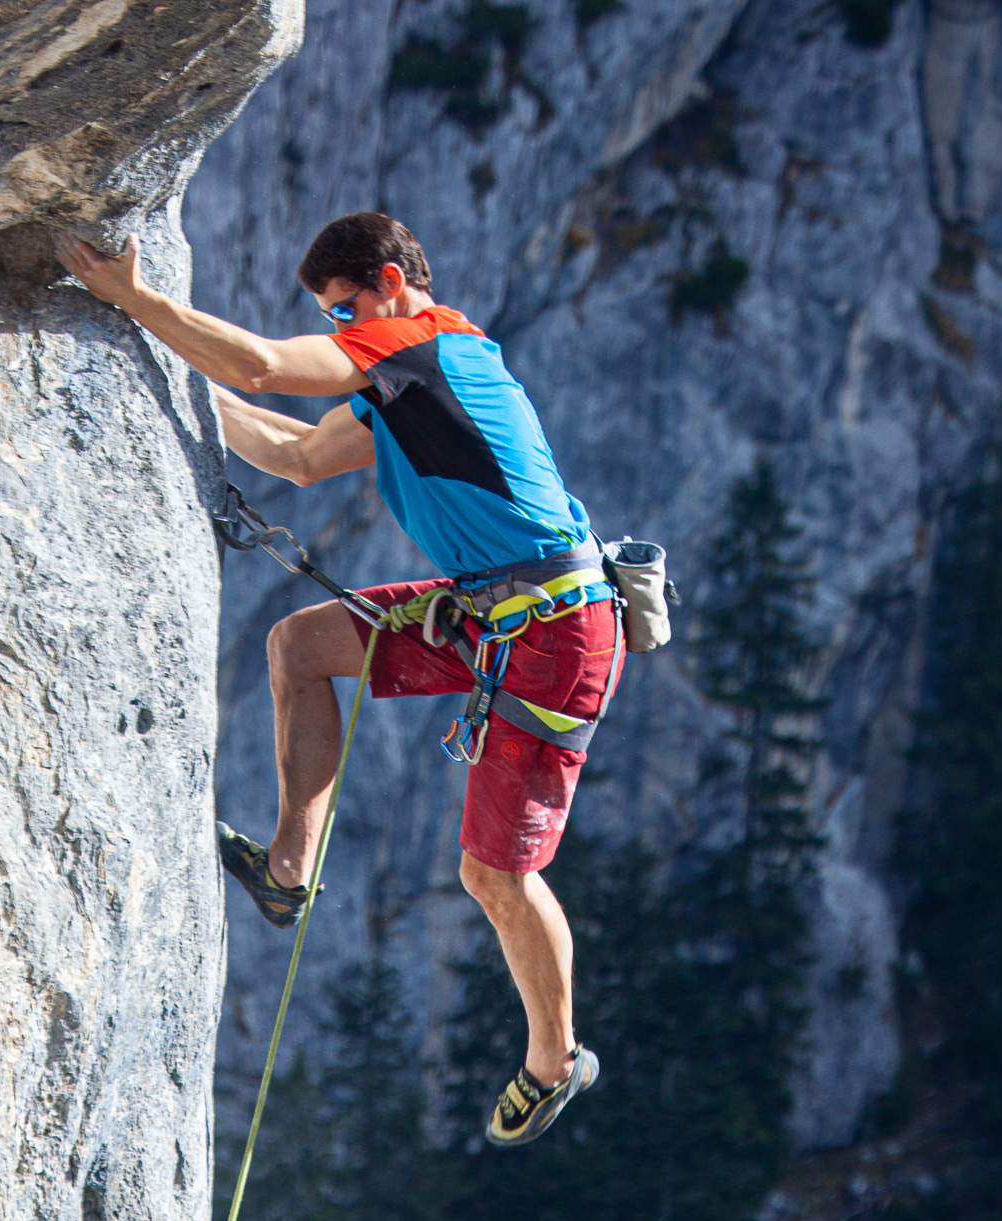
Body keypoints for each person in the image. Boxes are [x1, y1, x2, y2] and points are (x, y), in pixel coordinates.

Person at [54, 213, 619, 1147]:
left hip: (558, 630)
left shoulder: (424, 347)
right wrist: (166, 368)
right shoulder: (403, 384)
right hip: (492, 609)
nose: (341, 324)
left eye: (347, 306)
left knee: (494, 873)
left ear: (393, 282)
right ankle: (289, 870)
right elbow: (300, 455)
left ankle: (554, 1059)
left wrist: (134, 297)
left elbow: (268, 369)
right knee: (301, 645)